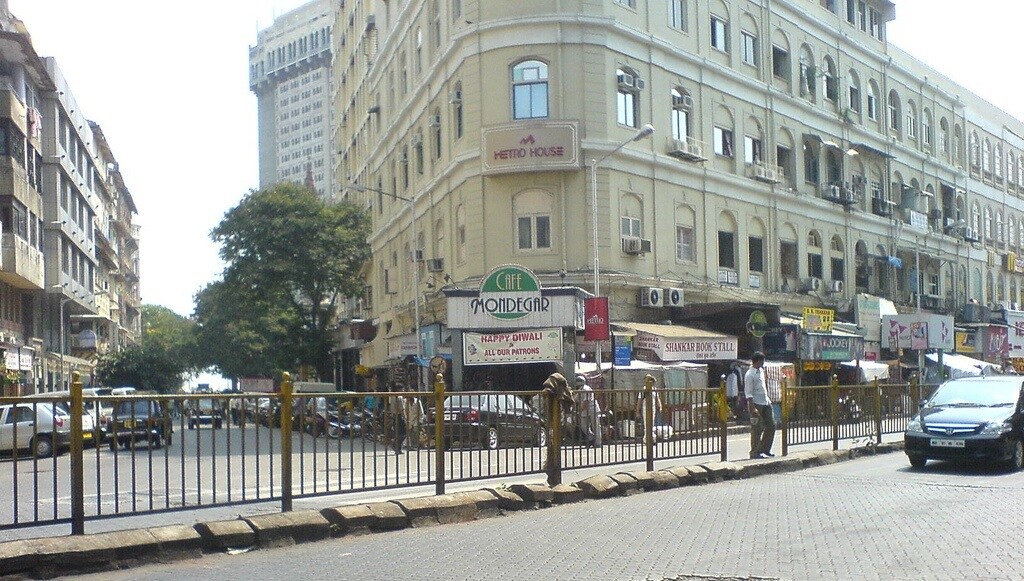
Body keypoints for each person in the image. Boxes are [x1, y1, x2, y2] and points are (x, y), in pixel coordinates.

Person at [745, 351, 775, 459]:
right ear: (757, 361)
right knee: (757, 429)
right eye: (762, 361)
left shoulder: (761, 371)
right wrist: (752, 408)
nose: (763, 363)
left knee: (771, 425)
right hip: (756, 403)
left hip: (766, 401)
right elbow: (748, 393)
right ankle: (754, 452)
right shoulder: (749, 375)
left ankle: (765, 449)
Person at [574, 375, 602, 447]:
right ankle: (591, 438)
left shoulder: (586, 389)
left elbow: (586, 402)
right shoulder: (580, 389)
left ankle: (598, 443)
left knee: (595, 426)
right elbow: (575, 399)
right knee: (583, 425)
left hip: (592, 409)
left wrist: (579, 411)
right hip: (585, 410)